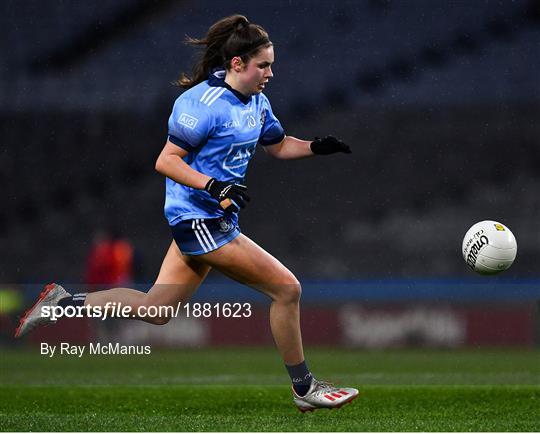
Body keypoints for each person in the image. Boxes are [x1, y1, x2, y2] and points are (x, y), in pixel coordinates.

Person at [15, 14, 357, 412]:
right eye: (263, 65)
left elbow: (278, 146)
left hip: (215, 219)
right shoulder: (200, 103)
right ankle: (304, 388)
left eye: (271, 65)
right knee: (286, 289)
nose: (270, 73)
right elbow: (166, 161)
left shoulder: (258, 102)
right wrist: (214, 186)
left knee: (156, 310)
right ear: (236, 64)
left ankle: (61, 302)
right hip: (198, 219)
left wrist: (316, 146)